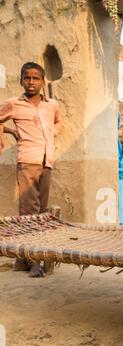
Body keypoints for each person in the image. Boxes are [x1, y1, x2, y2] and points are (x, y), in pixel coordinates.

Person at [0, 62, 62, 277]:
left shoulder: (51, 105)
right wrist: (10, 131)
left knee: (42, 212)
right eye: (27, 78)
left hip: (47, 162)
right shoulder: (14, 104)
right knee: (29, 213)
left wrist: (50, 136)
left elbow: (58, 123)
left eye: (36, 79)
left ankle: (22, 259)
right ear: (21, 81)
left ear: (43, 82)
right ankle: (35, 262)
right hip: (27, 160)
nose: (31, 82)